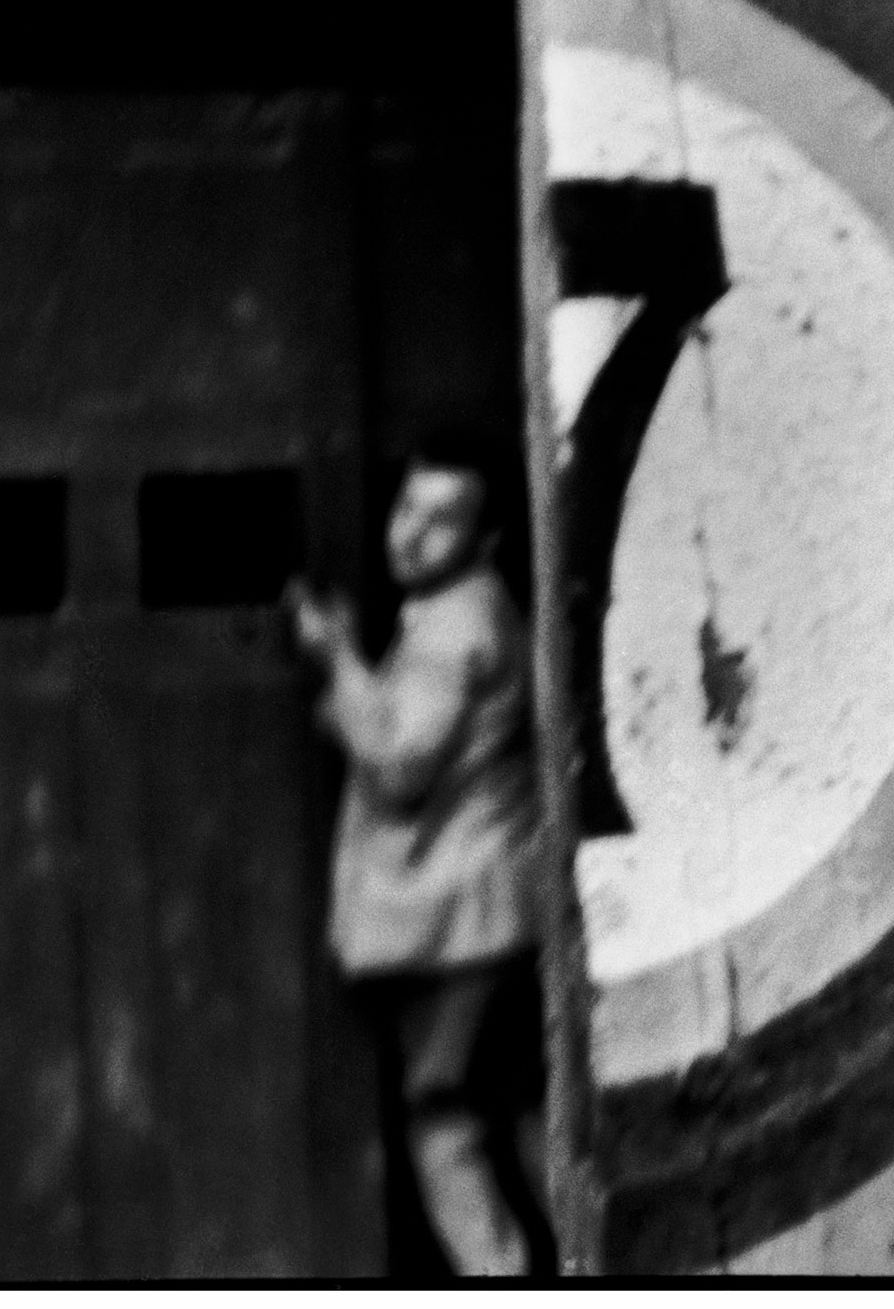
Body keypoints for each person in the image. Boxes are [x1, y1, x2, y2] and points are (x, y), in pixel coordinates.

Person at [290, 428, 548, 1276]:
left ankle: (497, 1274)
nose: (409, 533)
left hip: (459, 918)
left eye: (440, 521)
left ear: (486, 541)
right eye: (407, 507)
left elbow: (402, 763)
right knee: (515, 1099)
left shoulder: (453, 625)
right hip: (496, 908)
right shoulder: (478, 609)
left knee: (439, 1111)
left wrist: (337, 660)